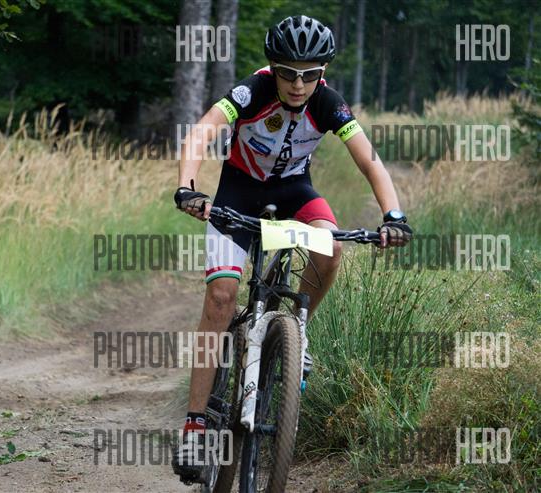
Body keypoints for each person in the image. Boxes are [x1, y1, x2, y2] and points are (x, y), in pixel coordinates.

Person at [171, 14, 412, 483]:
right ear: (273, 68)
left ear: (323, 72)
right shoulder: (253, 91)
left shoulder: (328, 103)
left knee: (331, 246)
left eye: (310, 74)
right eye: (288, 72)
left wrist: (394, 215)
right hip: (238, 193)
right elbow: (202, 132)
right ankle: (195, 424)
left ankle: (297, 333)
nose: (298, 84)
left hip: (294, 192)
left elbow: (370, 160)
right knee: (221, 298)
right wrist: (188, 187)